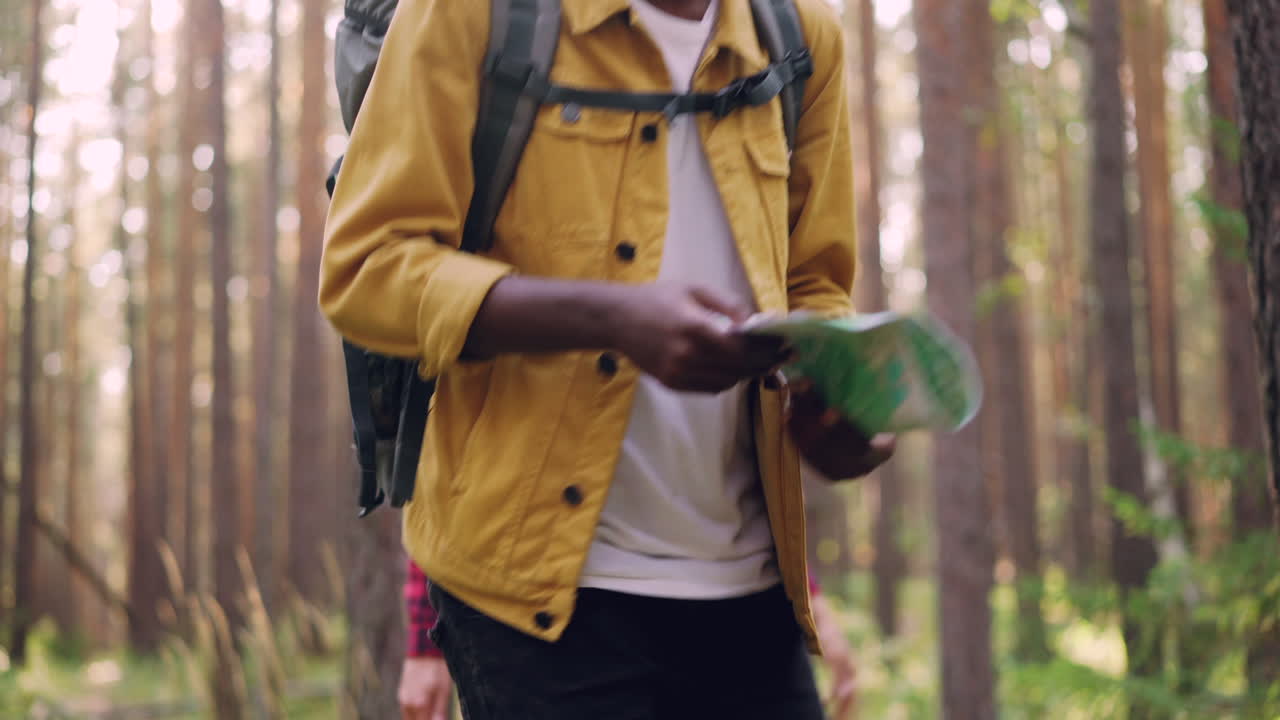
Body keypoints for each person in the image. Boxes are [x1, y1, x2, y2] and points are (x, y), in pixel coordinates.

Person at [321, 0, 894, 716]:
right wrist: (611, 318)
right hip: (535, 605)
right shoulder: (476, 13)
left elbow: (814, 286)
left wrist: (844, 405)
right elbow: (366, 269)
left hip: (749, 594)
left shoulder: (801, 39)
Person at [397, 559, 858, 720]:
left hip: (747, 603)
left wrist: (807, 592)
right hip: (556, 612)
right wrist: (424, 631)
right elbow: (445, 418)